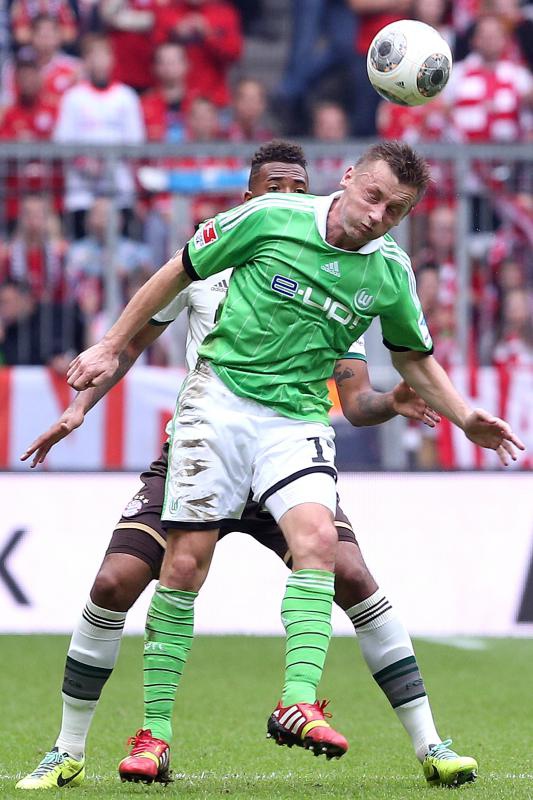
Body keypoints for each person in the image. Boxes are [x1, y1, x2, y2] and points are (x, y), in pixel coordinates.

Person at [26, 142, 525, 787]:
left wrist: (457, 413)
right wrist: (97, 369)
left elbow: (380, 378)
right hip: (214, 415)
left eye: (394, 210)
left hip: (294, 423)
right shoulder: (252, 229)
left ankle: (321, 708)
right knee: (158, 571)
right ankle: (131, 739)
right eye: (372, 197)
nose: (377, 216)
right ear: (345, 181)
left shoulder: (385, 273)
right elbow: (162, 291)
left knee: (333, 555)